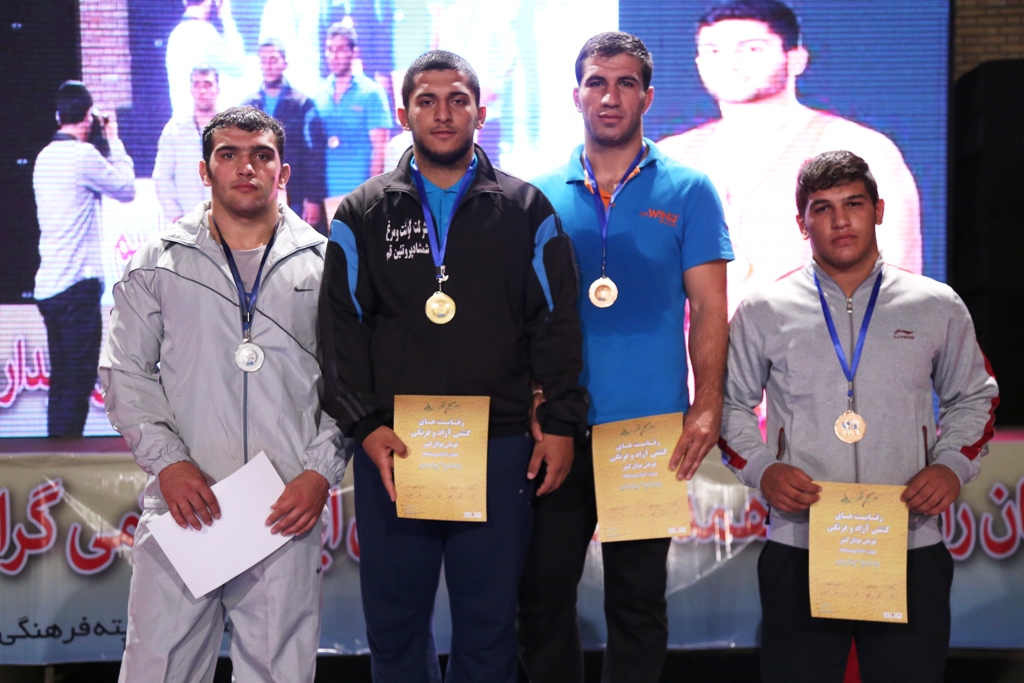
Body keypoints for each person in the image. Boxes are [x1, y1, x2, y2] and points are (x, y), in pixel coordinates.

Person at [318, 50, 588, 683]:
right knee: (394, 626)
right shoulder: (362, 212)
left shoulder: (527, 209)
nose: (443, 114)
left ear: (480, 113)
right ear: (403, 114)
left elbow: (555, 325)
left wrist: (561, 423)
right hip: (396, 446)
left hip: (498, 445)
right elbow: (340, 331)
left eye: (457, 100)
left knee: (489, 625)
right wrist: (365, 426)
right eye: (427, 101)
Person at [718, 150, 998, 683]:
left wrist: (950, 465)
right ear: (801, 223)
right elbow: (729, 404)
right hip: (801, 543)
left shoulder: (935, 304)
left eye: (854, 204)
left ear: (879, 210)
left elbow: (975, 398)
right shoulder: (764, 309)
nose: (840, 221)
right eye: (822, 208)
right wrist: (762, 468)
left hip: (908, 539)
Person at [100, 107, 346, 683]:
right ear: (205, 170)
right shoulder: (158, 261)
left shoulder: (326, 265)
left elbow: (352, 384)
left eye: (262, 155)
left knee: (279, 675)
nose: (246, 167)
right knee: (157, 672)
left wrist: (319, 473)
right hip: (184, 505)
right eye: (228, 154)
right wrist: (169, 464)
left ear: (283, 172)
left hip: (283, 508)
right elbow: (125, 372)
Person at [517, 32, 733, 683]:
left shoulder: (690, 189)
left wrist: (707, 404)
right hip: (558, 427)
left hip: (646, 431)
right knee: (540, 595)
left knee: (637, 602)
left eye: (625, 83)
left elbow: (710, 307)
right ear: (576, 94)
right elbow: (522, 315)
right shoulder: (536, 194)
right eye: (597, 82)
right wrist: (535, 401)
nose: (610, 96)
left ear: (647, 96)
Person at [658, 0, 922, 315]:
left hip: (815, 343)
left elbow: (895, 282)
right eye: (713, 50)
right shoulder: (671, 156)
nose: (730, 63)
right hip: (696, 345)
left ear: (795, 59)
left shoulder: (856, 148)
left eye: (751, 49)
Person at [33, 80, 136, 437]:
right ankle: (66, 459)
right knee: (75, 386)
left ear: (58, 116)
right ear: (89, 116)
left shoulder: (43, 157)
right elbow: (126, 188)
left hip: (49, 288)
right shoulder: (83, 156)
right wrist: (114, 139)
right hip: (76, 288)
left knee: (62, 382)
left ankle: (54, 460)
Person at [243, 39, 326, 232]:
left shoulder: (303, 104)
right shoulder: (248, 106)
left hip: (296, 194)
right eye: (264, 60)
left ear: (285, 63)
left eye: (273, 59)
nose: (269, 65)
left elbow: (315, 155)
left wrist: (313, 199)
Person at [314, 23, 392, 202]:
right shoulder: (318, 94)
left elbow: (379, 149)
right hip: (325, 193)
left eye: (340, 49)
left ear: (354, 52)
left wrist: (373, 195)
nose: (334, 56)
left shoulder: (372, 93)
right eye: (330, 49)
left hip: (360, 194)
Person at [153, 65, 218, 225]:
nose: (202, 91)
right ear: (190, 89)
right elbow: (162, 178)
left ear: (218, 89)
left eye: (208, 84)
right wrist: (177, 217)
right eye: (197, 84)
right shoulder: (174, 131)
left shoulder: (233, 130)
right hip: (187, 225)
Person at [165, 0, 244, 119]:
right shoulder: (204, 32)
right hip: (203, 120)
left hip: (181, 120)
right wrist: (227, 19)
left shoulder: (175, 35)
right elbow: (237, 67)